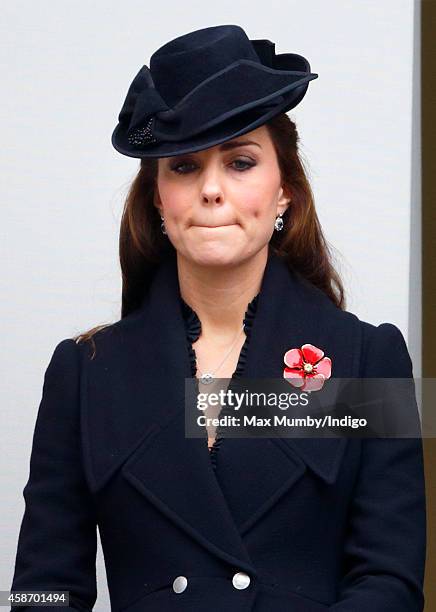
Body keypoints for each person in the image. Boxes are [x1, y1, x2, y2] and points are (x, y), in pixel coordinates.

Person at [10, 24, 426, 612]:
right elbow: (43, 589)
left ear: (285, 191)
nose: (211, 189)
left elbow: (391, 581)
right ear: (158, 197)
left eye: (240, 162)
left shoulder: (371, 358)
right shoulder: (84, 372)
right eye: (183, 166)